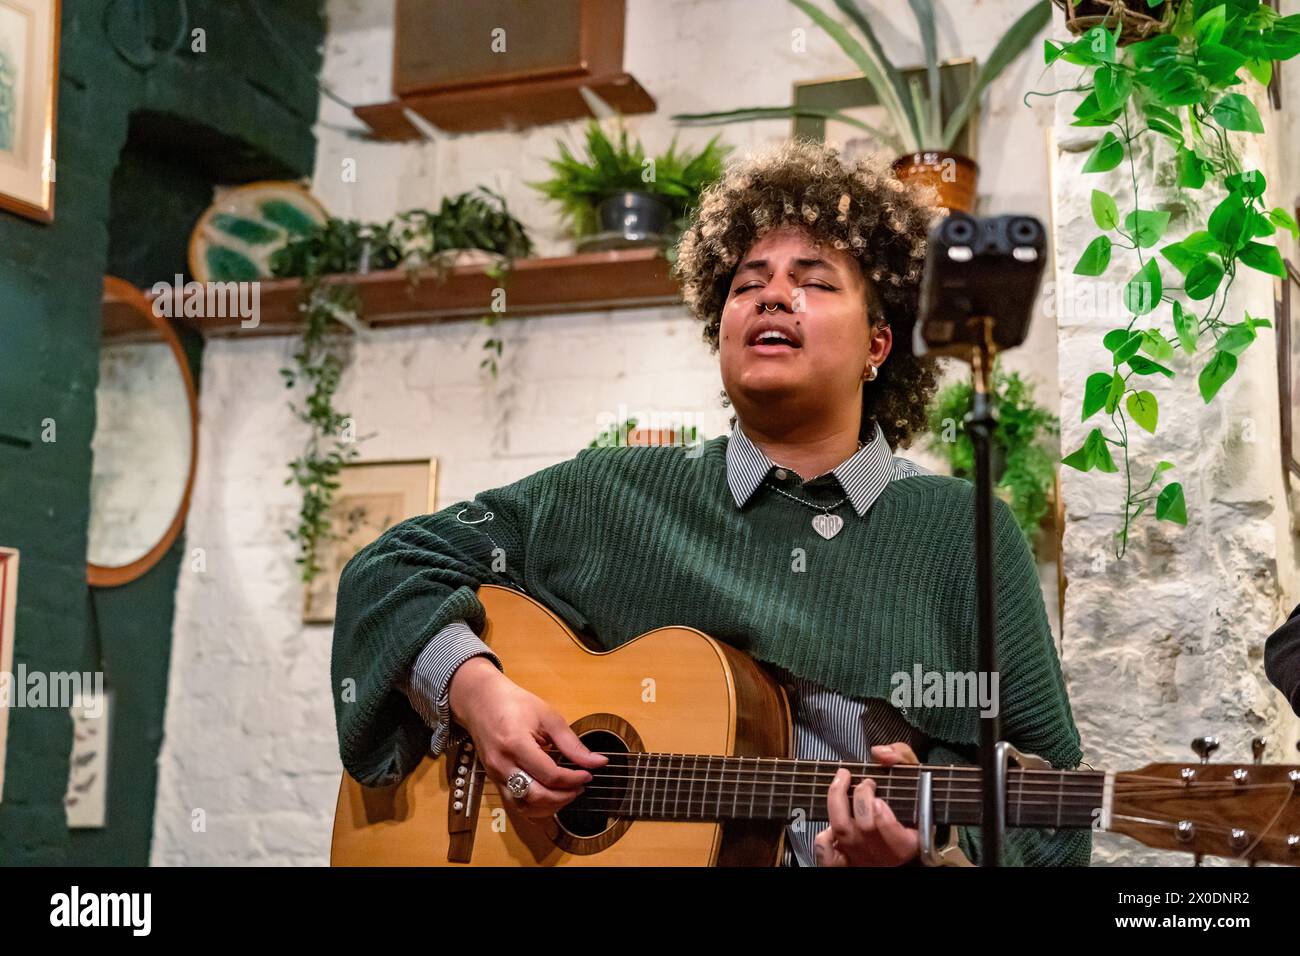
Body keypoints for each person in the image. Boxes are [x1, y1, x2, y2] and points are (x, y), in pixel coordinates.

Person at [330, 138, 1090, 867]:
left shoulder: (961, 531)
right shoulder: (610, 495)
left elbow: (1048, 810)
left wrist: (924, 861)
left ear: (877, 347)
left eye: (815, 281)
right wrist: (478, 692)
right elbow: (390, 567)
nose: (773, 295)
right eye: (746, 282)